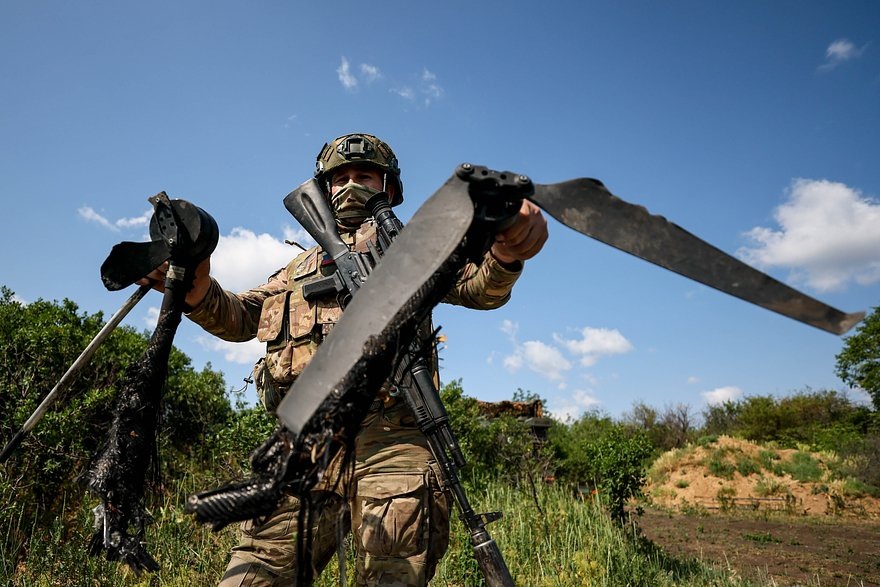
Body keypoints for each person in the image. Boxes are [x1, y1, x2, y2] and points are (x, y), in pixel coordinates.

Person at [141, 133, 548, 586]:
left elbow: (479, 286)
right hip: (306, 449)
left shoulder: (414, 248)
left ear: (389, 190)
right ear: (323, 189)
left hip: (394, 447)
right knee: (250, 576)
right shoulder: (296, 272)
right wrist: (196, 281)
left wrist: (507, 250)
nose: (351, 185)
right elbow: (240, 317)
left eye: (365, 176)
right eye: (340, 177)